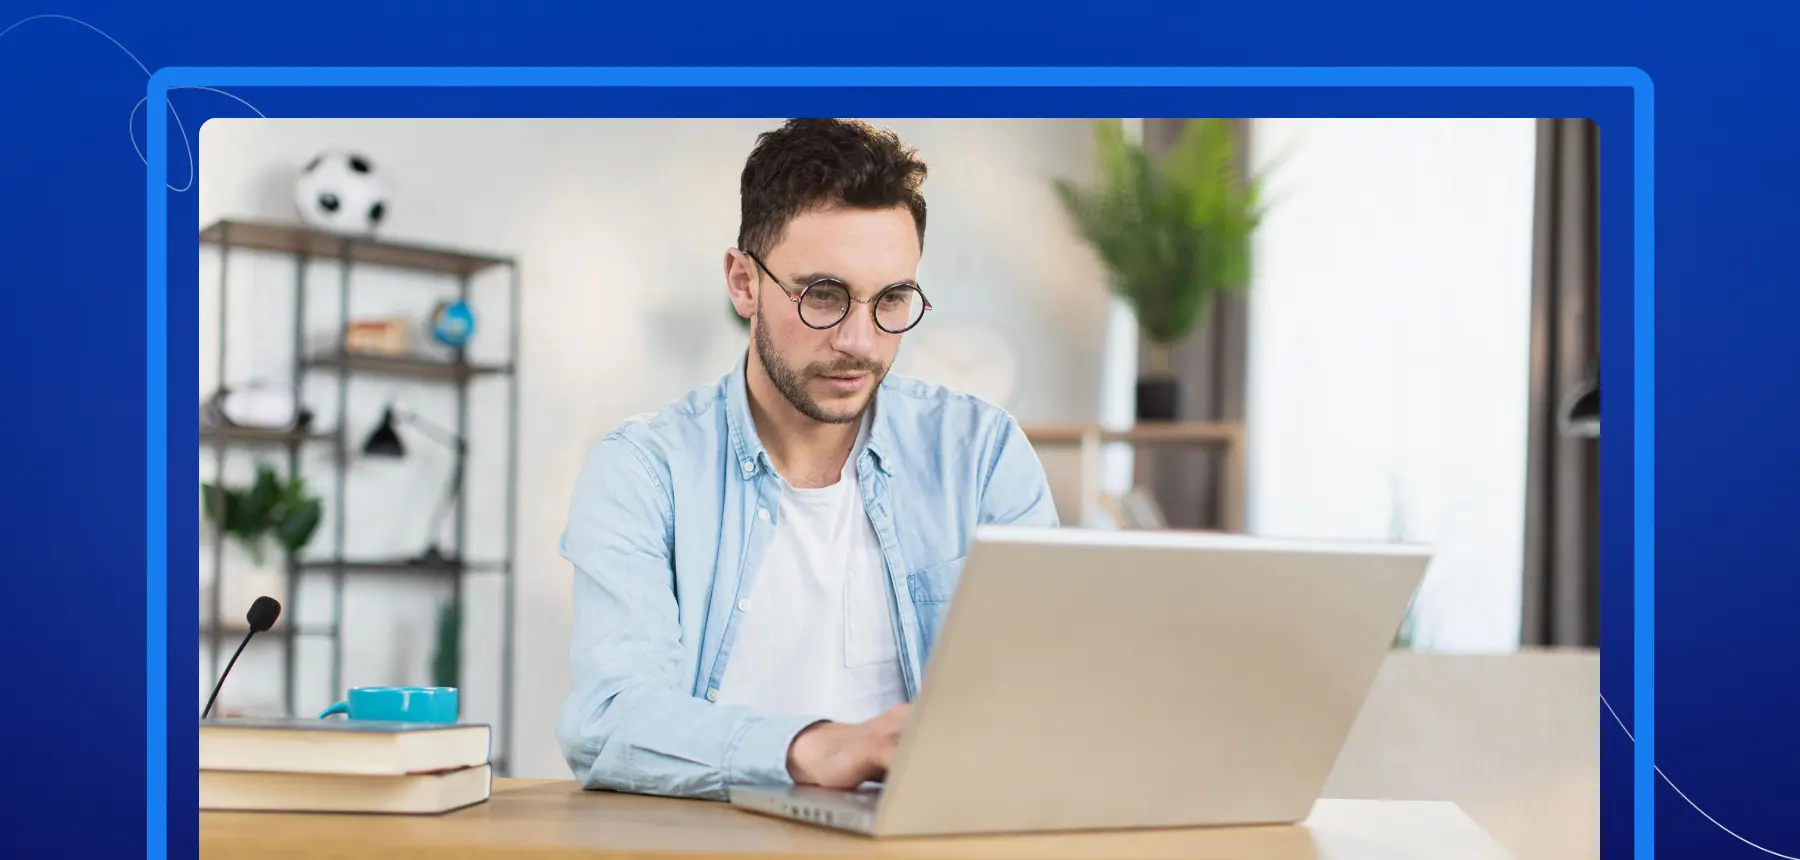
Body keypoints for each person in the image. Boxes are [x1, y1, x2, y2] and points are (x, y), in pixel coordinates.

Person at [555, 118, 1058, 800]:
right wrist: (818, 748)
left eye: (892, 300)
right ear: (742, 282)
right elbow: (610, 721)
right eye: (823, 295)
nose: (860, 341)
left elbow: (1044, 696)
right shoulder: (645, 473)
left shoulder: (982, 454)